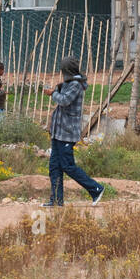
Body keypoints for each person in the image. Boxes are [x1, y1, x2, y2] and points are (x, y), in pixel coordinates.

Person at [44, 55, 104, 207]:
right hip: (59, 132)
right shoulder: (69, 83)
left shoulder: (76, 85)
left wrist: (53, 93)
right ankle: (57, 200)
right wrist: (57, 88)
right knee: (54, 167)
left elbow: (64, 100)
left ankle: (96, 189)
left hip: (67, 132)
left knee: (68, 165)